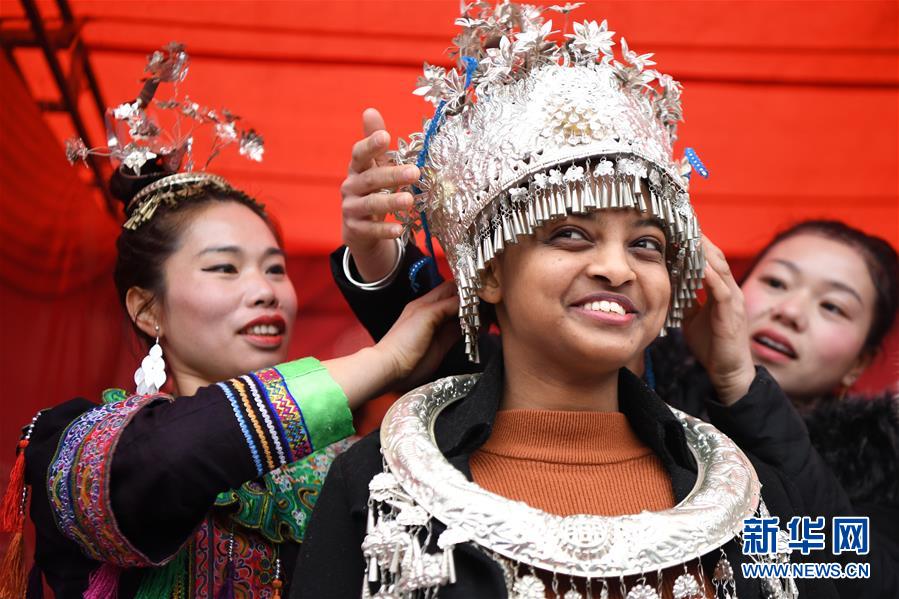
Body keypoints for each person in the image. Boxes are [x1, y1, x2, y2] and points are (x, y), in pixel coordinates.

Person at [295, 4, 845, 597]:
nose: (615, 268)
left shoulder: (747, 487)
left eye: (646, 244)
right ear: (491, 274)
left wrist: (740, 379)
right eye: (570, 234)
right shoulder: (383, 480)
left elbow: (856, 572)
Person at [0, 45, 460, 599]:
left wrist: (379, 265)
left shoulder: (353, 467)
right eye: (224, 267)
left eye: (275, 269)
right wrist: (381, 362)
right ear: (146, 308)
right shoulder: (81, 446)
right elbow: (172, 458)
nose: (265, 290)